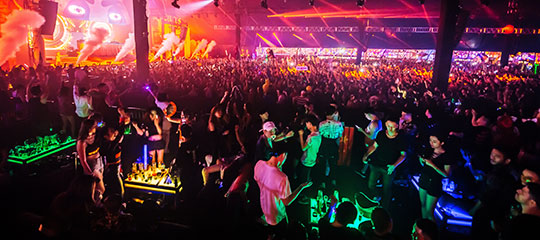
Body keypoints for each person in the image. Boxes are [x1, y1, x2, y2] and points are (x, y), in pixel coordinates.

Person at [253, 149, 312, 239]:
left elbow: (260, 181)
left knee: (270, 232)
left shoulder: (259, 164)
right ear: (283, 155)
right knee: (282, 234)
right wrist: (301, 187)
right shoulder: (282, 178)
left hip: (265, 208)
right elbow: (287, 202)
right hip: (277, 215)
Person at [362, 114, 406, 209]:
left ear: (397, 126)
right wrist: (366, 155)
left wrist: (394, 165)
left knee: (387, 189)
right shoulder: (381, 134)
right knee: (371, 185)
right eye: (388, 126)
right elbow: (374, 146)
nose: (389, 128)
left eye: (392, 126)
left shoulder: (400, 138)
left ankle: (385, 209)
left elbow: (403, 155)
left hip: (388, 167)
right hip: (376, 164)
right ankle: (378, 196)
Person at [418, 133, 455, 220]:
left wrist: (433, 165)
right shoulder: (429, 150)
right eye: (430, 140)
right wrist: (422, 160)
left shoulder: (446, 155)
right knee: (422, 205)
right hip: (424, 179)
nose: (431, 143)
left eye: (434, 141)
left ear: (442, 143)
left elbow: (446, 174)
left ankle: (432, 231)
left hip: (435, 183)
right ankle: (424, 226)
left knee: (429, 211)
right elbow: (424, 165)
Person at [76, 119, 105, 202]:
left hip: (99, 161)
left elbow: (102, 124)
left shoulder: (95, 134)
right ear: (88, 128)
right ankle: (95, 204)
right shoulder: (82, 142)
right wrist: (90, 174)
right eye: (94, 126)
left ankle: (96, 205)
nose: (96, 127)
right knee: (101, 189)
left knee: (98, 188)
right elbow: (83, 160)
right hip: (91, 165)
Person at [317, 105, 344, 191]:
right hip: (333, 145)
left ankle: (322, 183)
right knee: (333, 164)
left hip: (324, 144)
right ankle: (333, 181)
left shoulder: (321, 123)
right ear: (333, 114)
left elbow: (320, 134)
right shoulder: (339, 124)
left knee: (323, 164)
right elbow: (340, 135)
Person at [297, 115, 321, 203]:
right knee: (307, 176)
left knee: (304, 179)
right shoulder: (318, 134)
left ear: (310, 124)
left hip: (307, 160)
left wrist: (301, 135)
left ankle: (305, 197)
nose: (306, 125)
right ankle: (306, 194)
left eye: (307, 123)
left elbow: (303, 148)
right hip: (313, 158)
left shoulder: (311, 137)